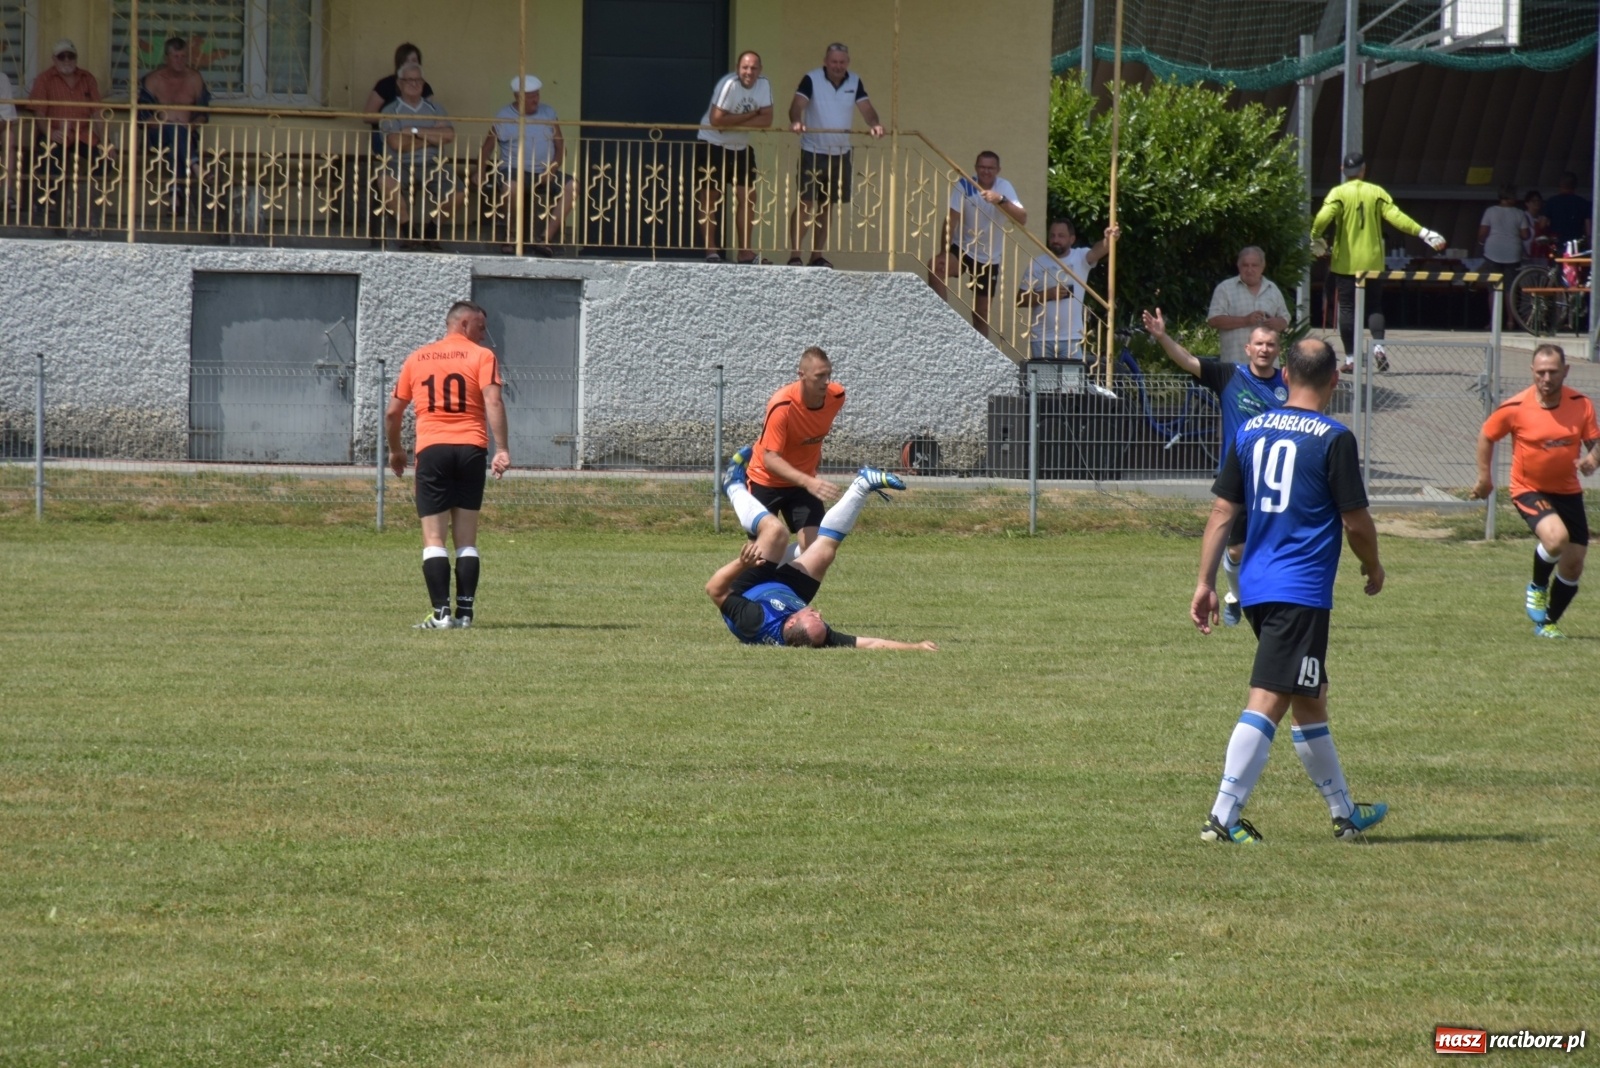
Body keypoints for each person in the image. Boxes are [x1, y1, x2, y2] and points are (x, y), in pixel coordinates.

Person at [1191, 336, 1388, 845]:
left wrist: (1205, 582)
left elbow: (1221, 511)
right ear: (1335, 381)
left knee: (1310, 695)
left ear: (1285, 375)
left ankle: (1344, 814)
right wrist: (1373, 566)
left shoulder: (1252, 429)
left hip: (1255, 584)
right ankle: (1222, 816)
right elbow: (1357, 523)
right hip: (1298, 589)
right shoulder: (1332, 437)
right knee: (1271, 698)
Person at [1145, 307, 1288, 627]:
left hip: (1277, 480)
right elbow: (1187, 361)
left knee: (1274, 550)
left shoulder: (1288, 383)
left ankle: (1270, 603)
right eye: (1259, 344)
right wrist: (1162, 336)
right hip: (1237, 480)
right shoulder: (1229, 376)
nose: (1265, 349)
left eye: (1271, 345)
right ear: (1248, 349)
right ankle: (1236, 596)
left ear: (1278, 351)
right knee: (1236, 550)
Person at [709, 463, 936, 650]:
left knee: (776, 533)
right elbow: (869, 643)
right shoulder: (816, 635)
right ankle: (863, 484)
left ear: (792, 621)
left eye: (814, 617)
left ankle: (733, 486)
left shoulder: (754, 621)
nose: (819, 613)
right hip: (787, 589)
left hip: (750, 586)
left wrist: (742, 564)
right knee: (824, 552)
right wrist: (915, 646)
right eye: (820, 620)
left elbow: (714, 589)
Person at [386, 300, 511, 629]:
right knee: (467, 540)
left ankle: (441, 614)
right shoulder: (482, 357)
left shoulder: (417, 358)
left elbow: (392, 413)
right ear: (464, 324)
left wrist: (396, 450)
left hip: (433, 450)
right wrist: (503, 448)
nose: (485, 336)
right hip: (471, 448)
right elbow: (493, 400)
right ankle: (465, 614)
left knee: (434, 539)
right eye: (481, 328)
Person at [1471, 343, 1600, 639]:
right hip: (1528, 489)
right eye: (1540, 372)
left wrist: (1592, 460)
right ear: (1532, 371)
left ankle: (1548, 623)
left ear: (1565, 371)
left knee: (1573, 564)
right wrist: (1484, 478)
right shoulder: (1516, 408)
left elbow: (1595, 444)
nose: (1546, 378)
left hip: (1568, 491)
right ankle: (1537, 585)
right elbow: (1487, 435)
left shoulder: (1581, 404)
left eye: (1553, 372)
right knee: (1556, 538)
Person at [1311, 152, 1447, 375]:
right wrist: (1423, 233)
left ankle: (1352, 359)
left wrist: (1315, 236)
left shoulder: (1338, 193)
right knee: (1374, 306)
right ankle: (1379, 348)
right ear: (1364, 170)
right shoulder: (1376, 192)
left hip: (1345, 263)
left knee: (1346, 308)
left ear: (1342, 170)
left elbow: (1324, 216)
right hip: (1373, 262)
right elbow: (1396, 216)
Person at [732, 347, 847, 558]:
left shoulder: (837, 396)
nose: (826, 382)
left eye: (829, 374)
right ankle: (742, 586)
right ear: (801, 375)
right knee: (758, 555)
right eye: (819, 376)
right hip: (764, 481)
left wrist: (810, 466)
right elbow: (769, 458)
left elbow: (808, 434)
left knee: (815, 552)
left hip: (800, 483)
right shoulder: (782, 405)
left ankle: (782, 582)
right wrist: (809, 481)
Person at [786, 43, 884, 268]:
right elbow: (796, 105)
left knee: (827, 205)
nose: (838, 66)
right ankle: (795, 254)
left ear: (847, 63)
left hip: (840, 153)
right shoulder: (811, 79)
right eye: (834, 62)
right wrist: (796, 120)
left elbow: (867, 108)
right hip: (812, 150)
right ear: (826, 62)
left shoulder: (854, 81)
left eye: (842, 62)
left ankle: (817, 255)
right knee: (806, 202)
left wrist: (874, 124)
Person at [927, 151, 1026, 339]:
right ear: (975, 168)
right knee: (936, 266)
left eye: (990, 168)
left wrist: (1001, 200)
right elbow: (951, 221)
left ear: (998, 170)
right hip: (963, 247)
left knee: (981, 315)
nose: (986, 171)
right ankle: (941, 321)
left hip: (989, 258)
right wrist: (944, 252)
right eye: (982, 167)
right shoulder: (965, 184)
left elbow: (1022, 218)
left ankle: (982, 355)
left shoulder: (1004, 187)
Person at [481, 74, 574, 256]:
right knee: (511, 187)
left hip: (544, 171)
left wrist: (553, 168)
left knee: (573, 186)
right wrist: (480, 171)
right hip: (513, 170)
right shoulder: (504, 116)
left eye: (537, 95)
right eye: (531, 96)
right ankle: (511, 236)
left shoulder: (548, 113)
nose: (536, 99)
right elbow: (487, 148)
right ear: (518, 97)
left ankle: (545, 238)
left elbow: (560, 146)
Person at [697, 50, 773, 264]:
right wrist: (751, 115)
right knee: (710, 198)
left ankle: (745, 252)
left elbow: (767, 120)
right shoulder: (729, 85)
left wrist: (733, 121)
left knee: (748, 197)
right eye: (745, 67)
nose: (749, 72)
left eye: (753, 68)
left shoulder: (764, 85)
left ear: (760, 70)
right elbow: (716, 120)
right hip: (712, 143)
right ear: (738, 68)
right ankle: (711, 251)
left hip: (740, 147)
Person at [378, 62, 465, 244]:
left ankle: (432, 229)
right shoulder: (390, 110)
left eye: (418, 80)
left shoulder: (436, 109)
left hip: (434, 163)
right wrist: (432, 135)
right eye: (409, 80)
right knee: (385, 181)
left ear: (423, 83)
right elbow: (397, 143)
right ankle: (407, 229)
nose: (414, 84)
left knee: (459, 192)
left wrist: (414, 131)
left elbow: (448, 135)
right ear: (400, 83)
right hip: (399, 163)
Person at [1016, 219, 1116, 361]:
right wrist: (1048, 294)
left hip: (1071, 339)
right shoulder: (1037, 263)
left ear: (1072, 239)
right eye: (1052, 235)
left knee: (1072, 383)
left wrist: (1109, 239)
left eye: (1061, 236)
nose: (1055, 240)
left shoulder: (1080, 257)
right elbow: (1020, 300)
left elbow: (1098, 251)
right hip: (1041, 338)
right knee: (1044, 383)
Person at [140, 37, 211, 214]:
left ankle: (175, 198)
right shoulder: (153, 79)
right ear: (166, 58)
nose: (180, 60)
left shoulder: (194, 79)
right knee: (175, 129)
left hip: (186, 137)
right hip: (157, 136)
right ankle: (195, 165)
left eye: (183, 56)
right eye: (175, 56)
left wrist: (191, 127)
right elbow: (142, 117)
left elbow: (203, 114)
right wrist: (163, 122)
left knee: (176, 146)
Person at [1206, 246, 1290, 364]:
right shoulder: (1225, 288)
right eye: (1245, 265)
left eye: (1254, 265)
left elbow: (1285, 319)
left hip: (1268, 368)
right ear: (1238, 266)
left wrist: (1277, 323)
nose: (1250, 270)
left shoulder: (1273, 289)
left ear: (1262, 266)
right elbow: (1213, 320)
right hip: (1235, 365)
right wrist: (1245, 320)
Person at [1478, 185, 1528, 320]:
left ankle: (1494, 322)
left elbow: (1483, 232)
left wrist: (1482, 242)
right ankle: (1511, 321)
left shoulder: (1490, 211)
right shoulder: (1519, 213)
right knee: (1510, 289)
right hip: (1513, 252)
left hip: (1493, 251)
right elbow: (1525, 235)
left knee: (1493, 288)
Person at [365, 43, 434, 119]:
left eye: (414, 60)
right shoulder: (384, 85)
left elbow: (431, 115)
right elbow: (367, 117)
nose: (410, 64)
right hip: (388, 129)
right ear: (399, 63)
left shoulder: (425, 87)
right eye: (406, 61)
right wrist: (395, 122)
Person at [1542, 172, 1591, 251]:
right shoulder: (1583, 203)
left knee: (1556, 262)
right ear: (1575, 185)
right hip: (1576, 244)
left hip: (1556, 243)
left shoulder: (1552, 202)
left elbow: (1542, 225)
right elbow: (1588, 229)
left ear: (1560, 184)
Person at [1523, 190, 1555, 262]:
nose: (1537, 203)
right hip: (1525, 253)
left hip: (1539, 253)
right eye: (1534, 201)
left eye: (1539, 201)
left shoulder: (1542, 219)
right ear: (1527, 203)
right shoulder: (1523, 217)